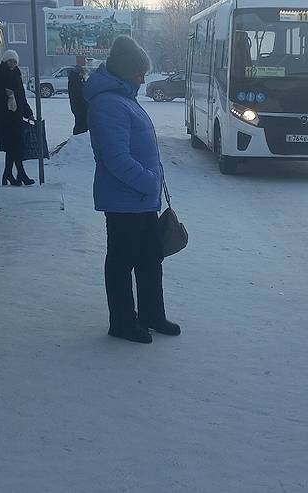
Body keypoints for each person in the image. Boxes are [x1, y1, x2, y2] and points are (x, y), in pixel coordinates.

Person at [84, 35, 180, 344]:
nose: (143, 79)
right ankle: (123, 322)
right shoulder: (108, 104)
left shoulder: (124, 98)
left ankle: (151, 314)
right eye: (139, 73)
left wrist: (152, 183)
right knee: (122, 262)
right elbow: (116, 158)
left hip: (142, 199)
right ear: (125, 72)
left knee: (150, 259)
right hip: (124, 201)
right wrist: (150, 181)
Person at [0, 49, 35, 186]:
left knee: (14, 147)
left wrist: (28, 113)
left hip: (16, 117)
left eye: (14, 61)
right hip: (4, 118)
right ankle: (20, 174)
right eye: (10, 61)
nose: (12, 64)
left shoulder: (17, 75)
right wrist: (3, 93)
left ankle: (8, 173)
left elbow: (21, 97)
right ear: (5, 61)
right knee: (14, 146)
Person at [67, 65, 88, 135]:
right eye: (82, 73)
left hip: (77, 106)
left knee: (80, 123)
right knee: (81, 124)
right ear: (79, 73)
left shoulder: (74, 79)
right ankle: (78, 137)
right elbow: (81, 92)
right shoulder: (75, 81)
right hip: (79, 106)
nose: (83, 75)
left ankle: (78, 136)